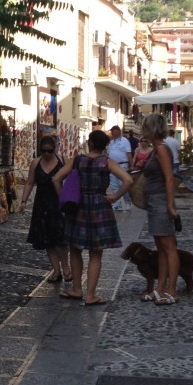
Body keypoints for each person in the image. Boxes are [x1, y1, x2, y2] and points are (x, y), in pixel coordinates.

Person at [52, 129, 132, 306]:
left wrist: (64, 199)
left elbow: (56, 179)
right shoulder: (107, 162)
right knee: (96, 253)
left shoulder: (77, 160)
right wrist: (115, 197)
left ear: (91, 143)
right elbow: (128, 180)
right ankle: (90, 295)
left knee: (75, 248)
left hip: (78, 206)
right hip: (99, 205)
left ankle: (76, 289)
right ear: (104, 146)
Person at [140, 112, 180, 305]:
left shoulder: (162, 149)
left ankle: (172, 290)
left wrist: (170, 205)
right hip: (154, 201)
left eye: (145, 127)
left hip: (160, 201)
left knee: (169, 247)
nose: (143, 130)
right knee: (161, 248)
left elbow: (169, 178)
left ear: (153, 129)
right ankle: (160, 287)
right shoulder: (156, 149)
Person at [19, 135, 70, 283]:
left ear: (55, 149)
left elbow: (72, 180)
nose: (46, 154)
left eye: (50, 151)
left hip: (59, 203)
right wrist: (23, 201)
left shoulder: (63, 160)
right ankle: (56, 270)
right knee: (47, 239)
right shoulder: (36, 163)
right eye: (43, 151)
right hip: (41, 204)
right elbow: (29, 182)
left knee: (61, 238)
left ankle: (66, 267)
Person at [107, 124, 132, 212]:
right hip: (112, 166)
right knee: (114, 185)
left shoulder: (125, 141)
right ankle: (117, 204)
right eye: (112, 132)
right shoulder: (110, 142)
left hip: (122, 165)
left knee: (123, 184)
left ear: (118, 132)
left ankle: (128, 203)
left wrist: (131, 165)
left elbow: (129, 154)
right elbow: (108, 154)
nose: (112, 134)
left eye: (113, 132)